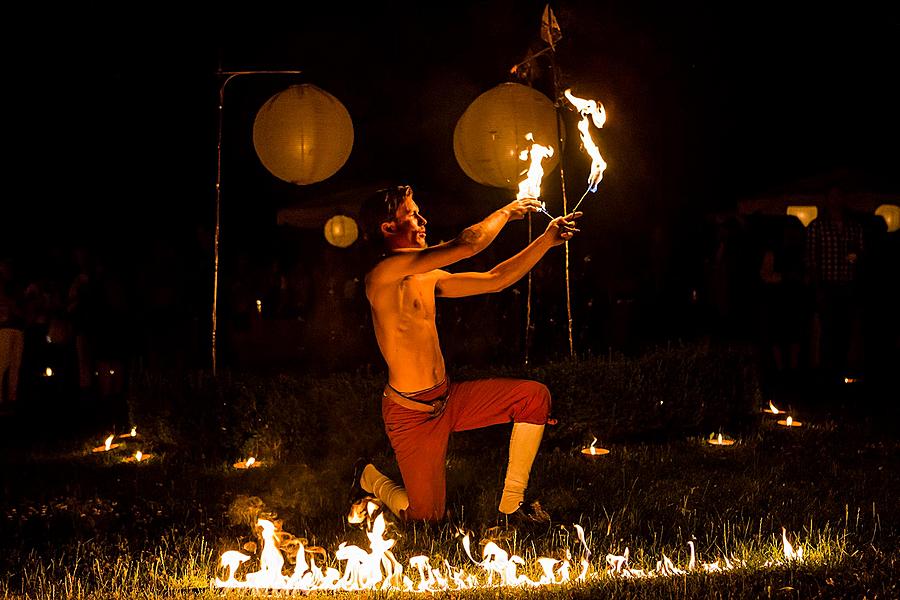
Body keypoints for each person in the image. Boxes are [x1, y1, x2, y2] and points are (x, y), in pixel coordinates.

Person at [352, 184, 581, 524]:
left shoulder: (424, 276)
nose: (423, 219)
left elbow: (495, 279)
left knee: (533, 397)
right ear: (388, 228)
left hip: (448, 398)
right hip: (412, 414)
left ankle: (512, 507)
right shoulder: (383, 275)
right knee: (426, 518)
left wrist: (546, 240)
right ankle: (370, 478)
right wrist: (508, 211)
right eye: (413, 215)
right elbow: (468, 244)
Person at [805, 186, 866, 383]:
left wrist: (853, 260)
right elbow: (812, 260)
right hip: (827, 286)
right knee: (829, 330)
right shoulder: (818, 226)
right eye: (832, 196)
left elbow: (858, 256)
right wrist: (818, 289)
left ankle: (839, 372)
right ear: (827, 200)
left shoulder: (853, 227)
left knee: (845, 330)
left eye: (840, 196)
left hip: (847, 285)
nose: (836, 200)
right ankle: (826, 373)